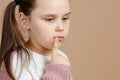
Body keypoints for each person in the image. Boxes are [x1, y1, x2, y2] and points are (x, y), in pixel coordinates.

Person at [0, 0, 72, 80]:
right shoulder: (16, 61)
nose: (61, 27)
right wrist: (57, 72)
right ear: (25, 21)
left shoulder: (61, 58)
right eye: (49, 19)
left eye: (65, 18)